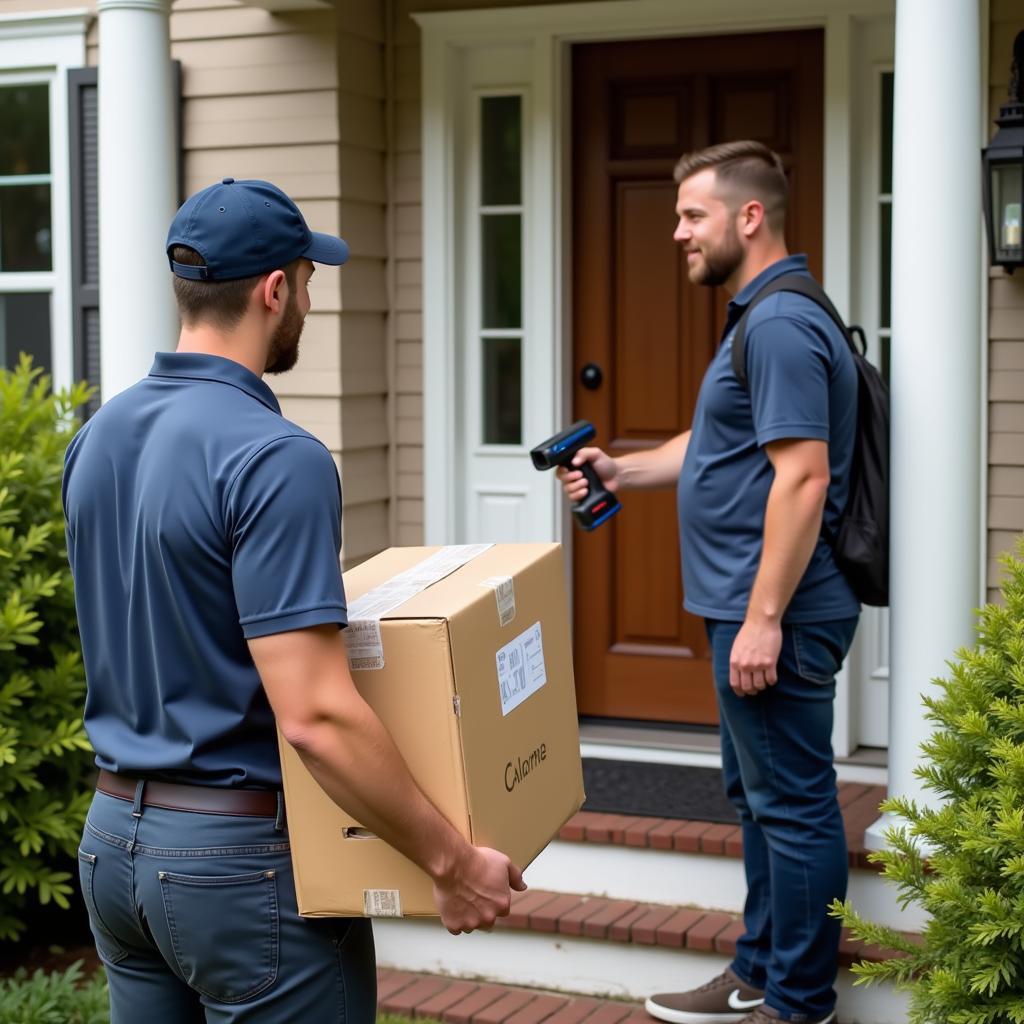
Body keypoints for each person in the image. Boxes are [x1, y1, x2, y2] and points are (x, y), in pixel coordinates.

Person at [63, 177, 525, 1024]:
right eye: (310, 281)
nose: (308, 300)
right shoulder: (276, 457)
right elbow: (315, 714)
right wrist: (450, 862)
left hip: (110, 845)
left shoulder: (97, 437)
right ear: (276, 289)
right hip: (232, 869)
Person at [559, 142, 860, 1024]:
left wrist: (765, 616)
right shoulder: (761, 317)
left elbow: (803, 474)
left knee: (793, 807)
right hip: (750, 607)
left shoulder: (777, 323)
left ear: (750, 216)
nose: (678, 233)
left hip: (778, 612)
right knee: (760, 799)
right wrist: (622, 469)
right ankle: (758, 972)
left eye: (693, 215)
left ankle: (797, 1003)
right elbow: (718, 448)